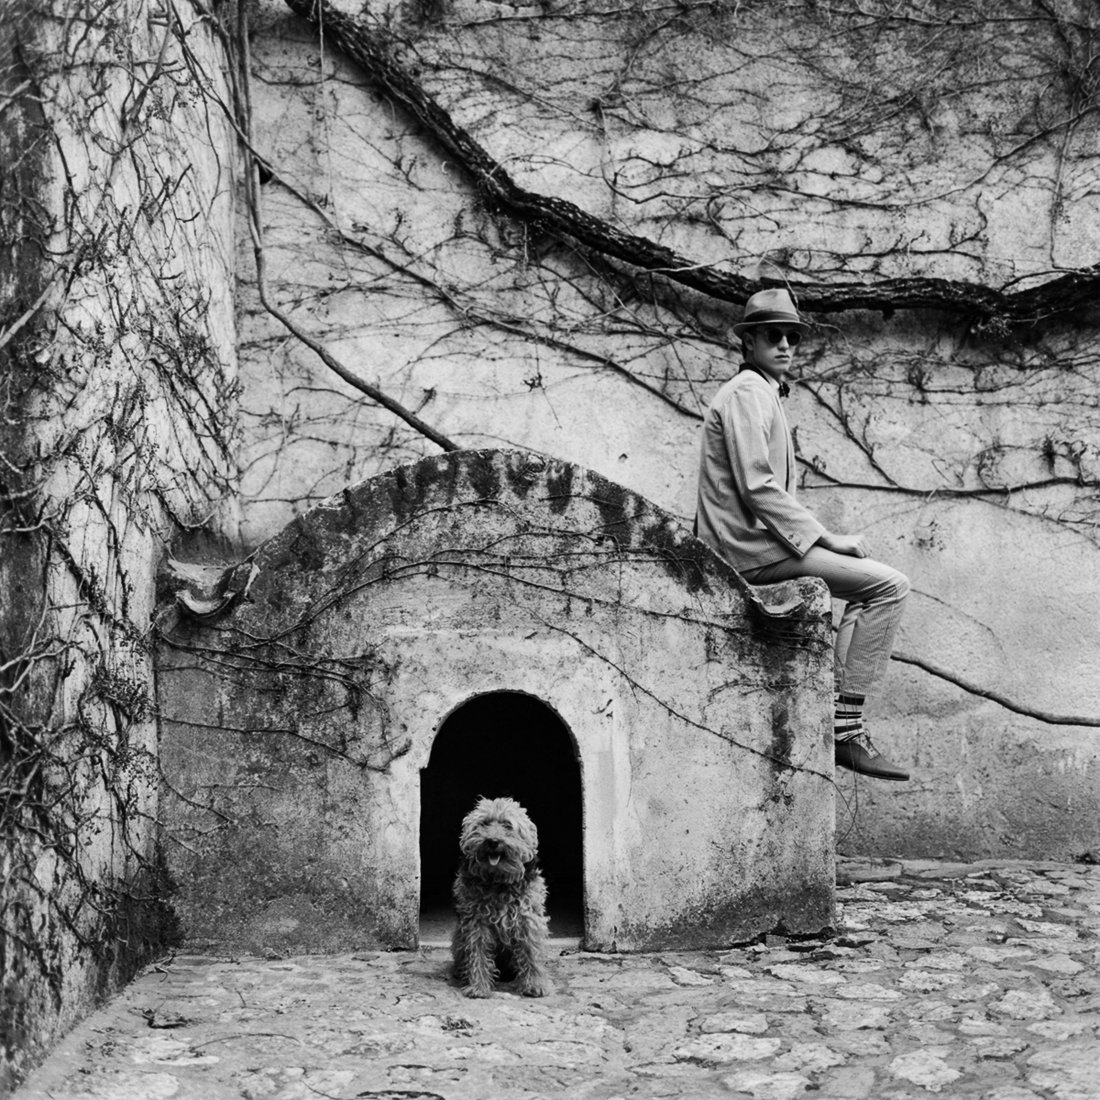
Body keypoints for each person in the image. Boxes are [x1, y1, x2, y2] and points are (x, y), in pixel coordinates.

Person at [695, 288, 911, 781]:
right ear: (749, 341)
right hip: (746, 551)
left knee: (873, 589)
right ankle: (845, 729)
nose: (786, 345)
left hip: (754, 546)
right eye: (774, 335)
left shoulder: (760, 391)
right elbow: (757, 484)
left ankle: (842, 720)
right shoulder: (748, 392)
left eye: (793, 337)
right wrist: (825, 538)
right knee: (888, 586)